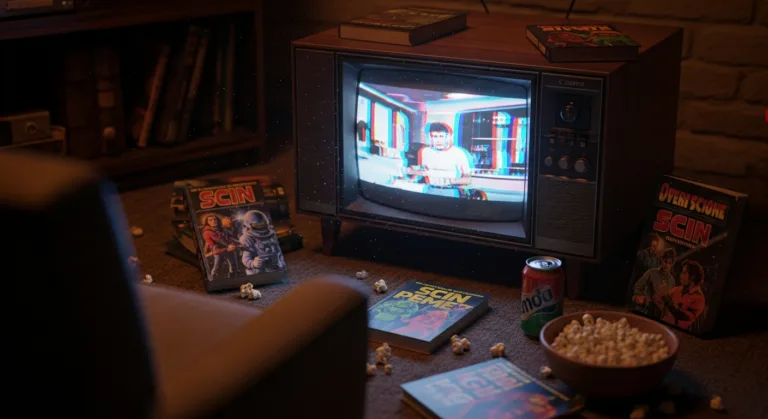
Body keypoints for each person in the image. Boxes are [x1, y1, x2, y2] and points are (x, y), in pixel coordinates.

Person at [417, 122, 472, 189]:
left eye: (441, 136)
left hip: (451, 190)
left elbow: (467, 179)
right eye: (435, 136)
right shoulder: (424, 152)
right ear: (430, 137)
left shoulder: (459, 153)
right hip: (430, 189)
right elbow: (421, 172)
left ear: (447, 137)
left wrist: (452, 181)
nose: (438, 140)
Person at [632, 247, 676, 319]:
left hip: (659, 316)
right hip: (645, 312)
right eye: (665, 261)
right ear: (662, 260)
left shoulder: (672, 281)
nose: (667, 265)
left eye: (670, 263)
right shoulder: (651, 272)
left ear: (672, 264)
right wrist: (641, 298)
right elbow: (638, 286)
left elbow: (670, 301)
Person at [662, 260, 707, 330]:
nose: (680, 276)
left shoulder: (699, 299)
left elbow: (683, 316)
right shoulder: (677, 289)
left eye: (684, 273)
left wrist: (668, 302)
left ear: (692, 277)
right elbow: (662, 299)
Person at [239, 209, 285, 275]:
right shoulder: (247, 238)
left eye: (262, 224)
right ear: (248, 225)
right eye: (258, 225)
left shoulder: (271, 233)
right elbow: (246, 258)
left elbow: (277, 250)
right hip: (260, 271)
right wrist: (253, 263)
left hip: (276, 267)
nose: (261, 227)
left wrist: (280, 259)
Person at [201, 213, 239, 279]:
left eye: (215, 219)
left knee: (234, 267)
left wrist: (238, 242)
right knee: (216, 268)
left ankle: (232, 280)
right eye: (210, 220)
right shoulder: (207, 232)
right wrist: (227, 248)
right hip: (218, 251)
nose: (213, 221)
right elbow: (215, 248)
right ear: (207, 222)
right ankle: (213, 280)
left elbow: (229, 237)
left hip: (229, 248)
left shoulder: (222, 229)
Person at [626, 233, 662, 301]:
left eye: (656, 247)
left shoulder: (657, 259)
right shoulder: (641, 254)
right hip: (639, 282)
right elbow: (636, 272)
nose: (654, 249)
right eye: (653, 246)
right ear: (650, 245)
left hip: (649, 286)